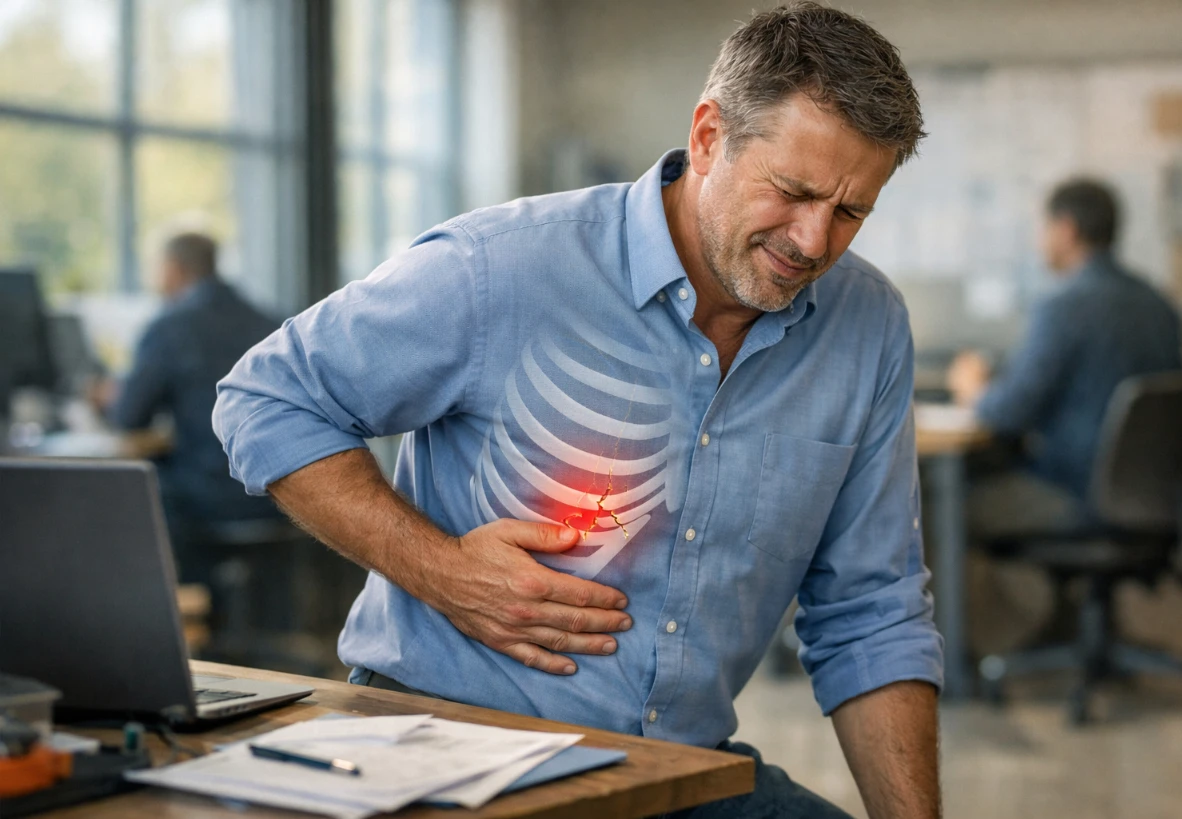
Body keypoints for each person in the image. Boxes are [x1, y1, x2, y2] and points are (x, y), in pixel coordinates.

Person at [215, 5, 942, 817]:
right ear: (709, 137)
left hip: (678, 768)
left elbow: (871, 612)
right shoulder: (501, 267)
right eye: (793, 192)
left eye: (849, 212)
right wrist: (442, 573)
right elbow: (268, 398)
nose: (813, 241)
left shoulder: (868, 325)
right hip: (445, 743)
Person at [948, 179, 1182, 538]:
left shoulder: (1062, 307)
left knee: (948, 503)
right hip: (1158, 500)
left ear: (1066, 229)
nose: (1039, 240)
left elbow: (1009, 413)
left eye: (1044, 228)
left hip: (1077, 496)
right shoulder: (1160, 305)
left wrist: (974, 390)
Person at [104, 232, 281, 583]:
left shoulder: (169, 326)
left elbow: (129, 416)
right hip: (278, 492)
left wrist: (108, 396)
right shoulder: (270, 320)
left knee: (133, 485)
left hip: (210, 496)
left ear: (172, 269)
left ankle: (182, 601)